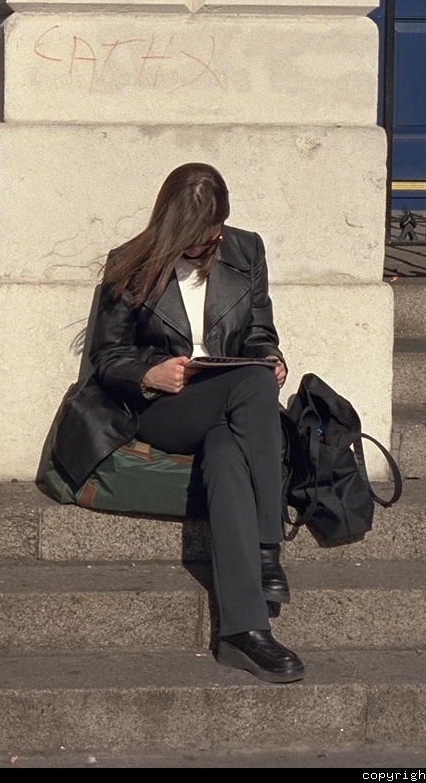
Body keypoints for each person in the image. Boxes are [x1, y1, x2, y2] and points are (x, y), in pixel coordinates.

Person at [54, 162, 301, 683]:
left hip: (230, 404)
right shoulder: (132, 262)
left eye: (216, 230)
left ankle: (243, 632)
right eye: (200, 235)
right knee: (253, 386)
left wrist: (270, 357)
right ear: (174, 226)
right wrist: (148, 373)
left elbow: (259, 330)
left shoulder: (246, 250)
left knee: (228, 452)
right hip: (162, 408)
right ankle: (267, 546)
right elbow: (107, 355)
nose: (211, 240)